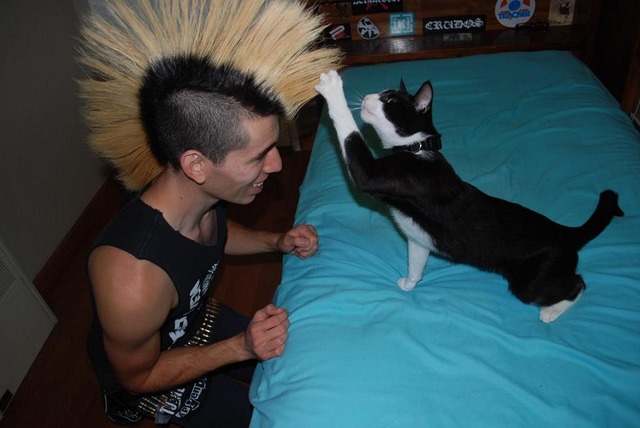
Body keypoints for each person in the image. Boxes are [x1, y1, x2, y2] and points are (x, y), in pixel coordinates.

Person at [78, 1, 341, 426]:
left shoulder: (198, 195)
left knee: (298, 368)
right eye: (259, 156)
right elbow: (138, 376)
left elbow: (212, 233)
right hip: (154, 371)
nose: (276, 165)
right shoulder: (132, 281)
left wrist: (275, 241)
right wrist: (241, 347)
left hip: (197, 318)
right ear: (197, 165)